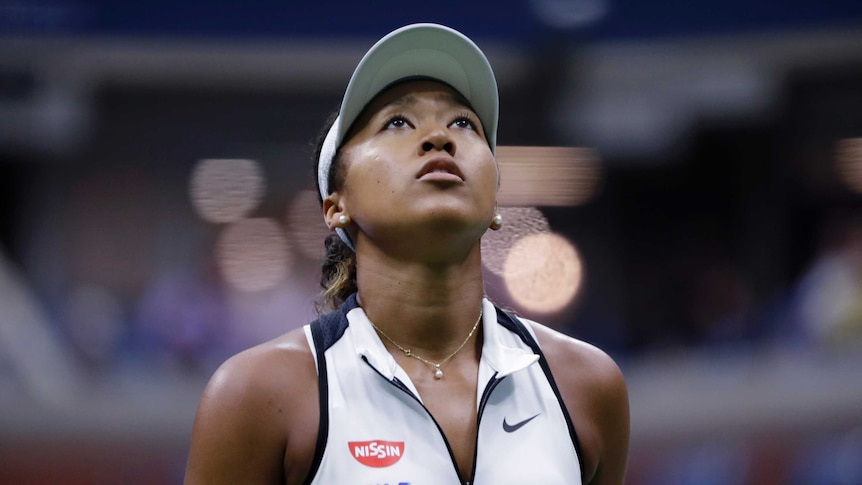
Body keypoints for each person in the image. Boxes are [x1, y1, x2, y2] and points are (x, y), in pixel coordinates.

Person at [184, 23, 629, 484]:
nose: (440, 137)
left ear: (494, 200)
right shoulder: (258, 394)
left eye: (464, 123)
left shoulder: (588, 385)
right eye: (396, 122)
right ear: (337, 207)